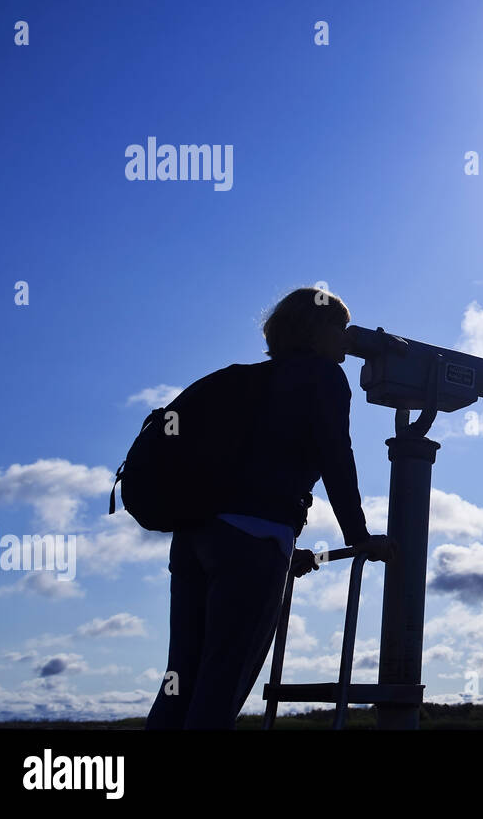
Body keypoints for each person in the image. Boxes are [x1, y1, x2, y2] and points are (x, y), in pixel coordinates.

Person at [145, 287, 397, 729]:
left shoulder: (240, 380)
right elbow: (337, 457)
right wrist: (358, 536)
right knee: (221, 682)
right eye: (341, 328)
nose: (348, 341)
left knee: (181, 677)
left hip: (193, 541)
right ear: (316, 331)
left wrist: (283, 551)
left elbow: (246, 468)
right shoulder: (321, 377)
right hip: (254, 541)